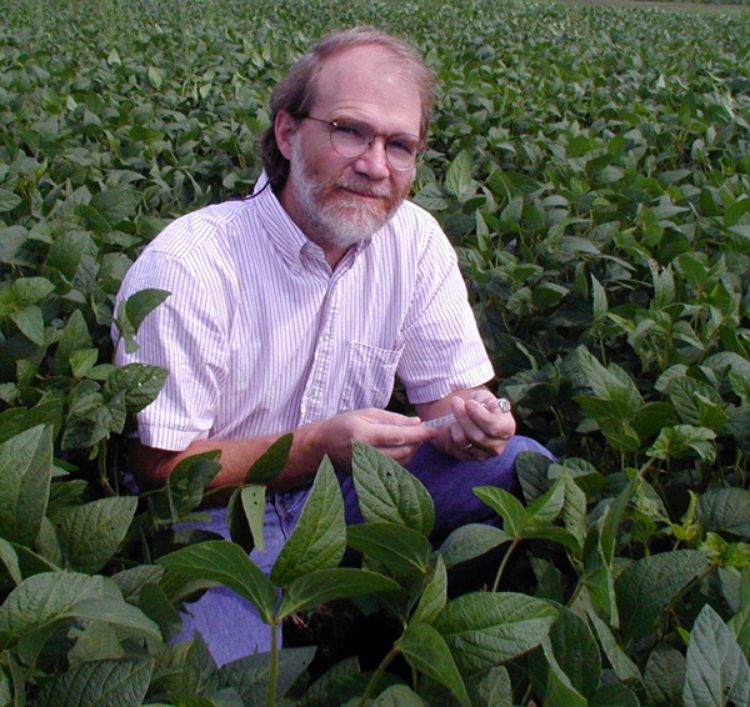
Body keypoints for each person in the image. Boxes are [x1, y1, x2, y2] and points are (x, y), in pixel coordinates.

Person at [114, 26, 551, 665]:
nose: (375, 165)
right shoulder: (190, 263)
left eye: (399, 144)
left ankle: (393, 640)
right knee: (219, 679)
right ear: (288, 134)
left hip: (349, 491)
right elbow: (160, 471)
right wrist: (317, 445)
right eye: (350, 130)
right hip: (218, 516)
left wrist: (469, 419)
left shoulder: (416, 241)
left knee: (525, 469)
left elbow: (449, 397)